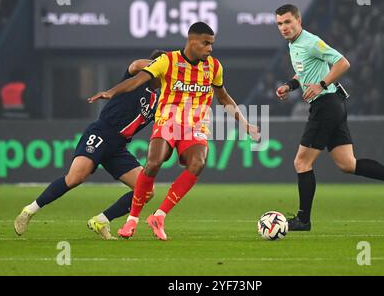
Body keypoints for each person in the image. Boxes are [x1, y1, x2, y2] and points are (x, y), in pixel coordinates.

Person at [88, 22, 260, 241]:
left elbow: (223, 97)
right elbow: (137, 80)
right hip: (168, 121)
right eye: (206, 43)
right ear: (191, 41)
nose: (210, 48)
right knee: (154, 163)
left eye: (212, 44)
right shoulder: (167, 60)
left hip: (195, 125)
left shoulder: (214, 67)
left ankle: (159, 216)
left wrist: (245, 123)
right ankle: (132, 219)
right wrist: (111, 92)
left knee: (198, 163)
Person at [274, 4, 384, 231]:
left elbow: (343, 62)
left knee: (301, 162)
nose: (284, 27)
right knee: (347, 164)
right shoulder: (294, 45)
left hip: (326, 105)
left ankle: (303, 219)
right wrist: (291, 85)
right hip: (333, 104)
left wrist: (321, 85)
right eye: (280, 24)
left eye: (287, 22)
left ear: (298, 21)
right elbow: (304, 72)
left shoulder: (311, 42)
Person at [14, 50, 166, 240]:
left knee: (146, 191)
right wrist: (162, 64)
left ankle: (101, 220)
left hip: (118, 147)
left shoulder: (159, 100)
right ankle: (29, 211)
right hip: (102, 132)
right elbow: (135, 64)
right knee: (75, 178)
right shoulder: (135, 80)